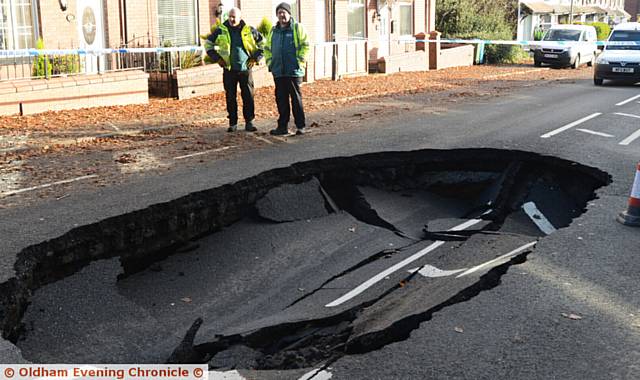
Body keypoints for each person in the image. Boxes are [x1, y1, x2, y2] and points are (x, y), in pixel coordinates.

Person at [205, 7, 263, 132]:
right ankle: (233, 123)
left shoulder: (249, 30)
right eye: (229, 16)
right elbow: (208, 44)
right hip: (229, 69)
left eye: (234, 17)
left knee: (248, 96)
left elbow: (263, 44)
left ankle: (249, 122)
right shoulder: (221, 30)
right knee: (230, 97)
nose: (231, 19)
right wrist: (217, 58)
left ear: (240, 18)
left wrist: (256, 58)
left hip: (245, 69)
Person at [264, 2, 310, 135]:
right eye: (279, 13)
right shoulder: (273, 31)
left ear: (289, 14)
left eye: (284, 12)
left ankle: (300, 126)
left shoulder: (297, 28)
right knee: (281, 100)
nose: (281, 15)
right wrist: (270, 63)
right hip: (278, 71)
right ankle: (282, 127)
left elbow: (305, 45)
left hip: (293, 71)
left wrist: (300, 61)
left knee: (296, 99)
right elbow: (267, 49)